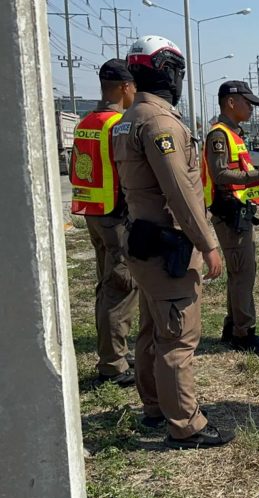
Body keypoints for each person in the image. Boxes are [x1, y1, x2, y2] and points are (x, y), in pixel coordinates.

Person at [113, 35, 232, 449]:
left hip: (141, 239)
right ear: (166, 71)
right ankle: (185, 424)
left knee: (151, 329)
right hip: (167, 246)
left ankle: (154, 406)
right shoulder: (160, 122)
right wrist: (209, 243)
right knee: (178, 338)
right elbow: (180, 191)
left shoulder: (128, 119)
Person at [70, 59, 138, 387]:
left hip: (93, 213)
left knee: (105, 285)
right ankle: (112, 364)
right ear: (125, 88)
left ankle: (115, 352)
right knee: (120, 287)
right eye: (134, 88)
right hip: (116, 216)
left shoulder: (85, 122)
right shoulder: (118, 125)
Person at [202, 81, 259, 354]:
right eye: (247, 103)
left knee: (240, 273)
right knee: (243, 274)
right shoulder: (219, 135)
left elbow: (240, 174)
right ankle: (243, 333)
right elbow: (220, 175)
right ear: (231, 103)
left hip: (240, 212)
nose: (251, 109)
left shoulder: (234, 134)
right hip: (229, 213)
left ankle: (233, 325)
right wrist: (257, 175)